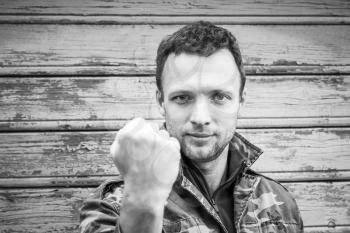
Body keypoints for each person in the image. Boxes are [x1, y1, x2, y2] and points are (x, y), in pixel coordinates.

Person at [79, 21, 304, 233]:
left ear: (240, 100)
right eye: (182, 97)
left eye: (219, 96)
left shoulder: (279, 201)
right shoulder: (113, 206)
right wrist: (144, 200)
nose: (200, 117)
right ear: (160, 101)